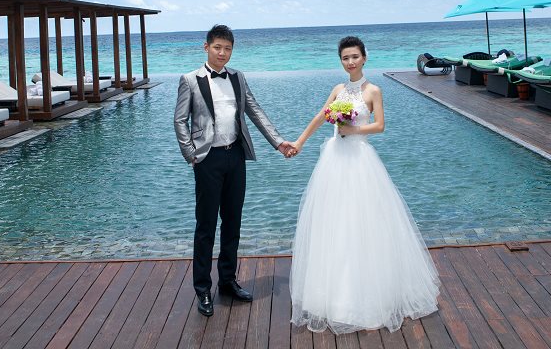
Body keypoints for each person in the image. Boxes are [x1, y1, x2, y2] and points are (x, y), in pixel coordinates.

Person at [288, 36, 440, 334]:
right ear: (341, 61)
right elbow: (321, 116)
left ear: (364, 57)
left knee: (363, 223)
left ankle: (367, 297)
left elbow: (380, 125)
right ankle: (333, 297)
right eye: (345, 58)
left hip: (360, 160)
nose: (350, 62)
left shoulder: (373, 90)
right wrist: (299, 142)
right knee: (334, 223)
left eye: (355, 56)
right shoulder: (338, 90)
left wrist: (353, 129)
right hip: (334, 160)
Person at [174, 24, 297, 318]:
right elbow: (180, 121)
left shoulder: (238, 77)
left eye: (227, 48)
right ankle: (203, 289)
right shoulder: (190, 80)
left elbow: (255, 111)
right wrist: (191, 155)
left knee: (232, 222)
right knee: (206, 226)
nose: (222, 53)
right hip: (207, 159)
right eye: (217, 47)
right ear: (206, 47)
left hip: (236, 156)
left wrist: (278, 142)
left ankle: (227, 281)